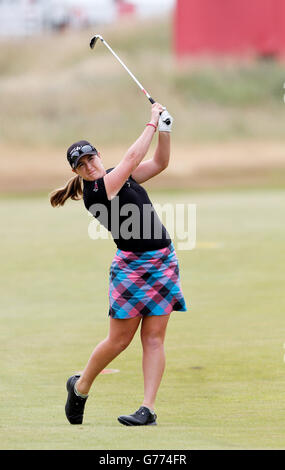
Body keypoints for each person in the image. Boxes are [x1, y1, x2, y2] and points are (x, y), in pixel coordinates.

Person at [50, 103, 187, 426]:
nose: (89, 166)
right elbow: (131, 159)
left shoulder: (115, 176)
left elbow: (159, 163)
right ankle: (80, 386)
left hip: (163, 261)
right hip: (131, 268)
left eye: (91, 158)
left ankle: (148, 409)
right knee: (119, 340)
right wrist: (151, 122)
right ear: (76, 173)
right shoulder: (96, 192)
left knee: (154, 339)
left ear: (98, 155)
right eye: (81, 165)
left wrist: (165, 130)